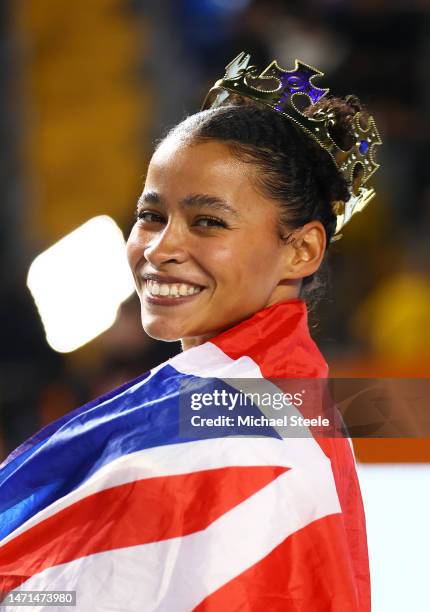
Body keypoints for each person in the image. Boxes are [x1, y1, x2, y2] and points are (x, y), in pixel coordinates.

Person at [0, 53, 381, 611]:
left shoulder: (237, 432)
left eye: (208, 222)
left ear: (301, 250)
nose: (161, 248)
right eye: (151, 215)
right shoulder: (273, 399)